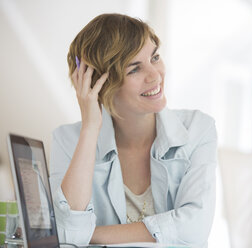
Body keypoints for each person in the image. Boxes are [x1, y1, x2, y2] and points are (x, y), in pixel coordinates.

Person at [49, 13, 217, 247]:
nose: (155, 75)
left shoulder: (198, 129)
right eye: (134, 69)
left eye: (155, 57)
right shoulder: (68, 140)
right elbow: (67, 231)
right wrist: (90, 127)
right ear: (101, 85)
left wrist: (88, 235)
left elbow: (194, 228)